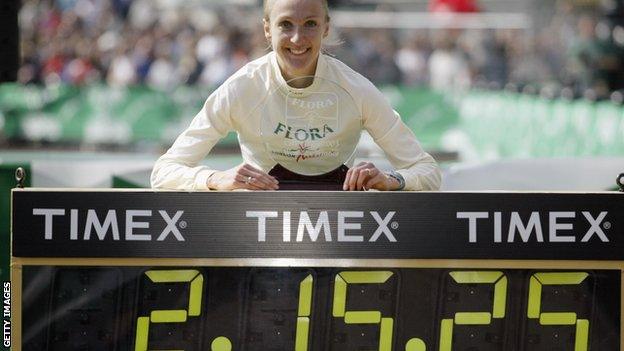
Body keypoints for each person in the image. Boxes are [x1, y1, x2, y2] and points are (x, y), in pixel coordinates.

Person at [151, 0, 441, 191]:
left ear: (326, 28)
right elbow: (163, 172)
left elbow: (427, 171)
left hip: (337, 237)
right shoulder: (241, 88)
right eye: (285, 24)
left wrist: (391, 181)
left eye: (310, 24)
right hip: (258, 238)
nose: (297, 39)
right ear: (267, 29)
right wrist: (215, 179)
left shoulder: (357, 89)